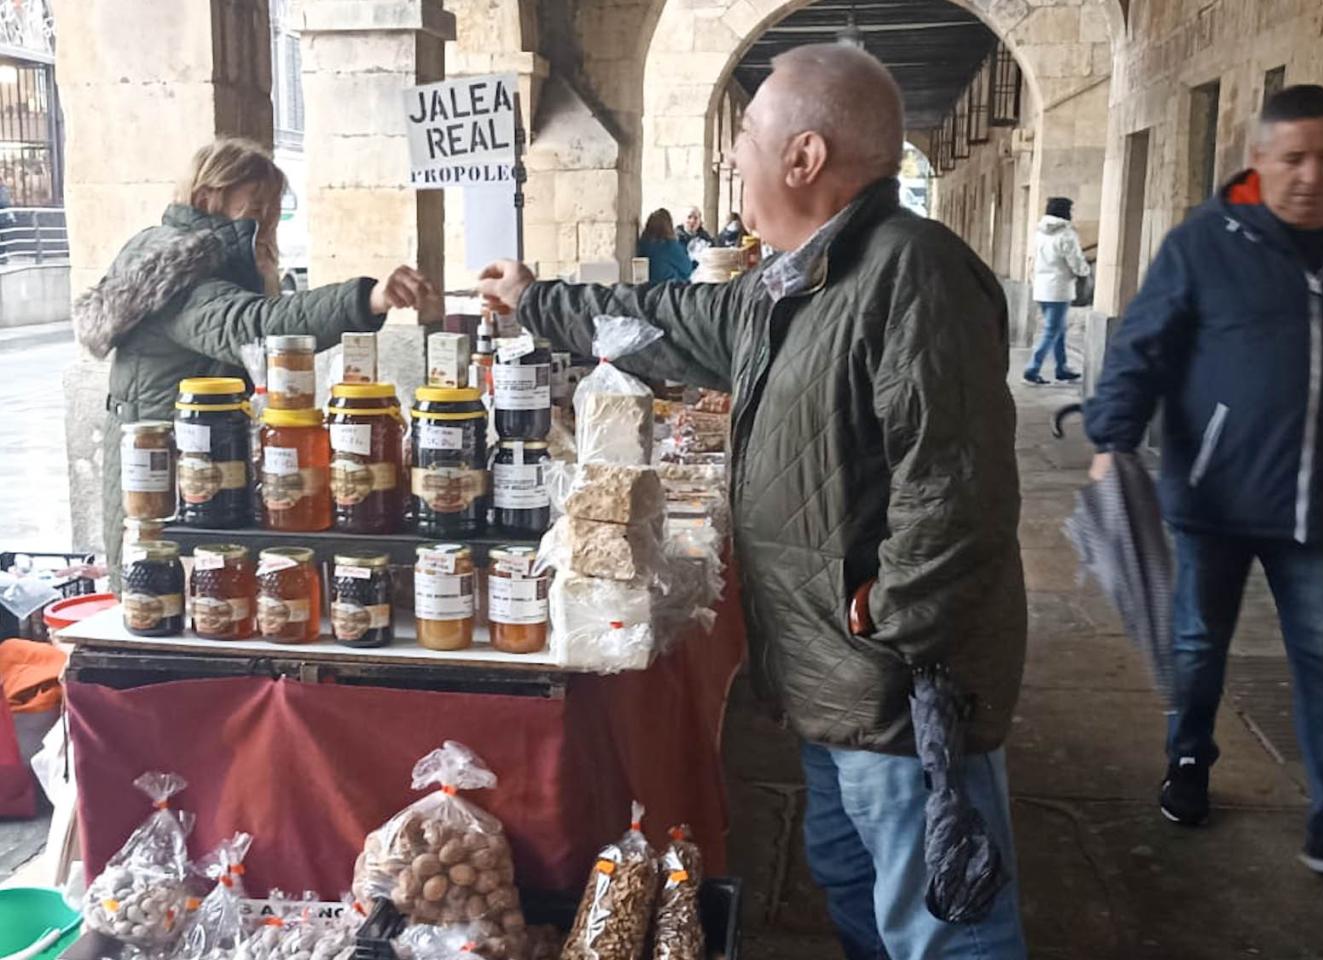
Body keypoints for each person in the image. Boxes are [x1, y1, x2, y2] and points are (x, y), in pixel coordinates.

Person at [478, 43, 1028, 960]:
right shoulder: (790, 286)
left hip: (898, 693)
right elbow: (663, 324)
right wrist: (538, 300)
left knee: (941, 926)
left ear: (804, 158)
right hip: (832, 678)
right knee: (856, 887)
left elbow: (956, 494)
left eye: (745, 143)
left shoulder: (913, 275)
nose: (733, 165)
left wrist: (887, 623)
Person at [1084, 85, 1323, 876]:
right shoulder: (1206, 240)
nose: (1311, 174)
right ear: (1259, 159)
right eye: (1293, 157)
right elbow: (1142, 342)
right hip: (1217, 492)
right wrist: (1112, 438)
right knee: (1199, 644)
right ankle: (1190, 760)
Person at [74, 138, 434, 574]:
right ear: (209, 195)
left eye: (272, 207)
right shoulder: (176, 266)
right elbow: (249, 328)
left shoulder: (215, 259)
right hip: (165, 457)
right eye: (256, 204)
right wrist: (366, 299)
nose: (266, 218)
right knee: (162, 586)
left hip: (197, 448)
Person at [1022, 196, 1090, 386]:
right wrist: (1085, 272)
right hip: (1059, 288)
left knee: (1058, 330)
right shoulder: (1066, 234)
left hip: (1041, 288)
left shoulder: (1040, 232)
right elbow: (1075, 260)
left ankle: (1062, 368)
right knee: (1052, 330)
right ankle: (1032, 368)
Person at [637, 208, 695, 282]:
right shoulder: (669, 246)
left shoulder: (643, 245)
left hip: (648, 288)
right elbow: (687, 268)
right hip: (669, 288)